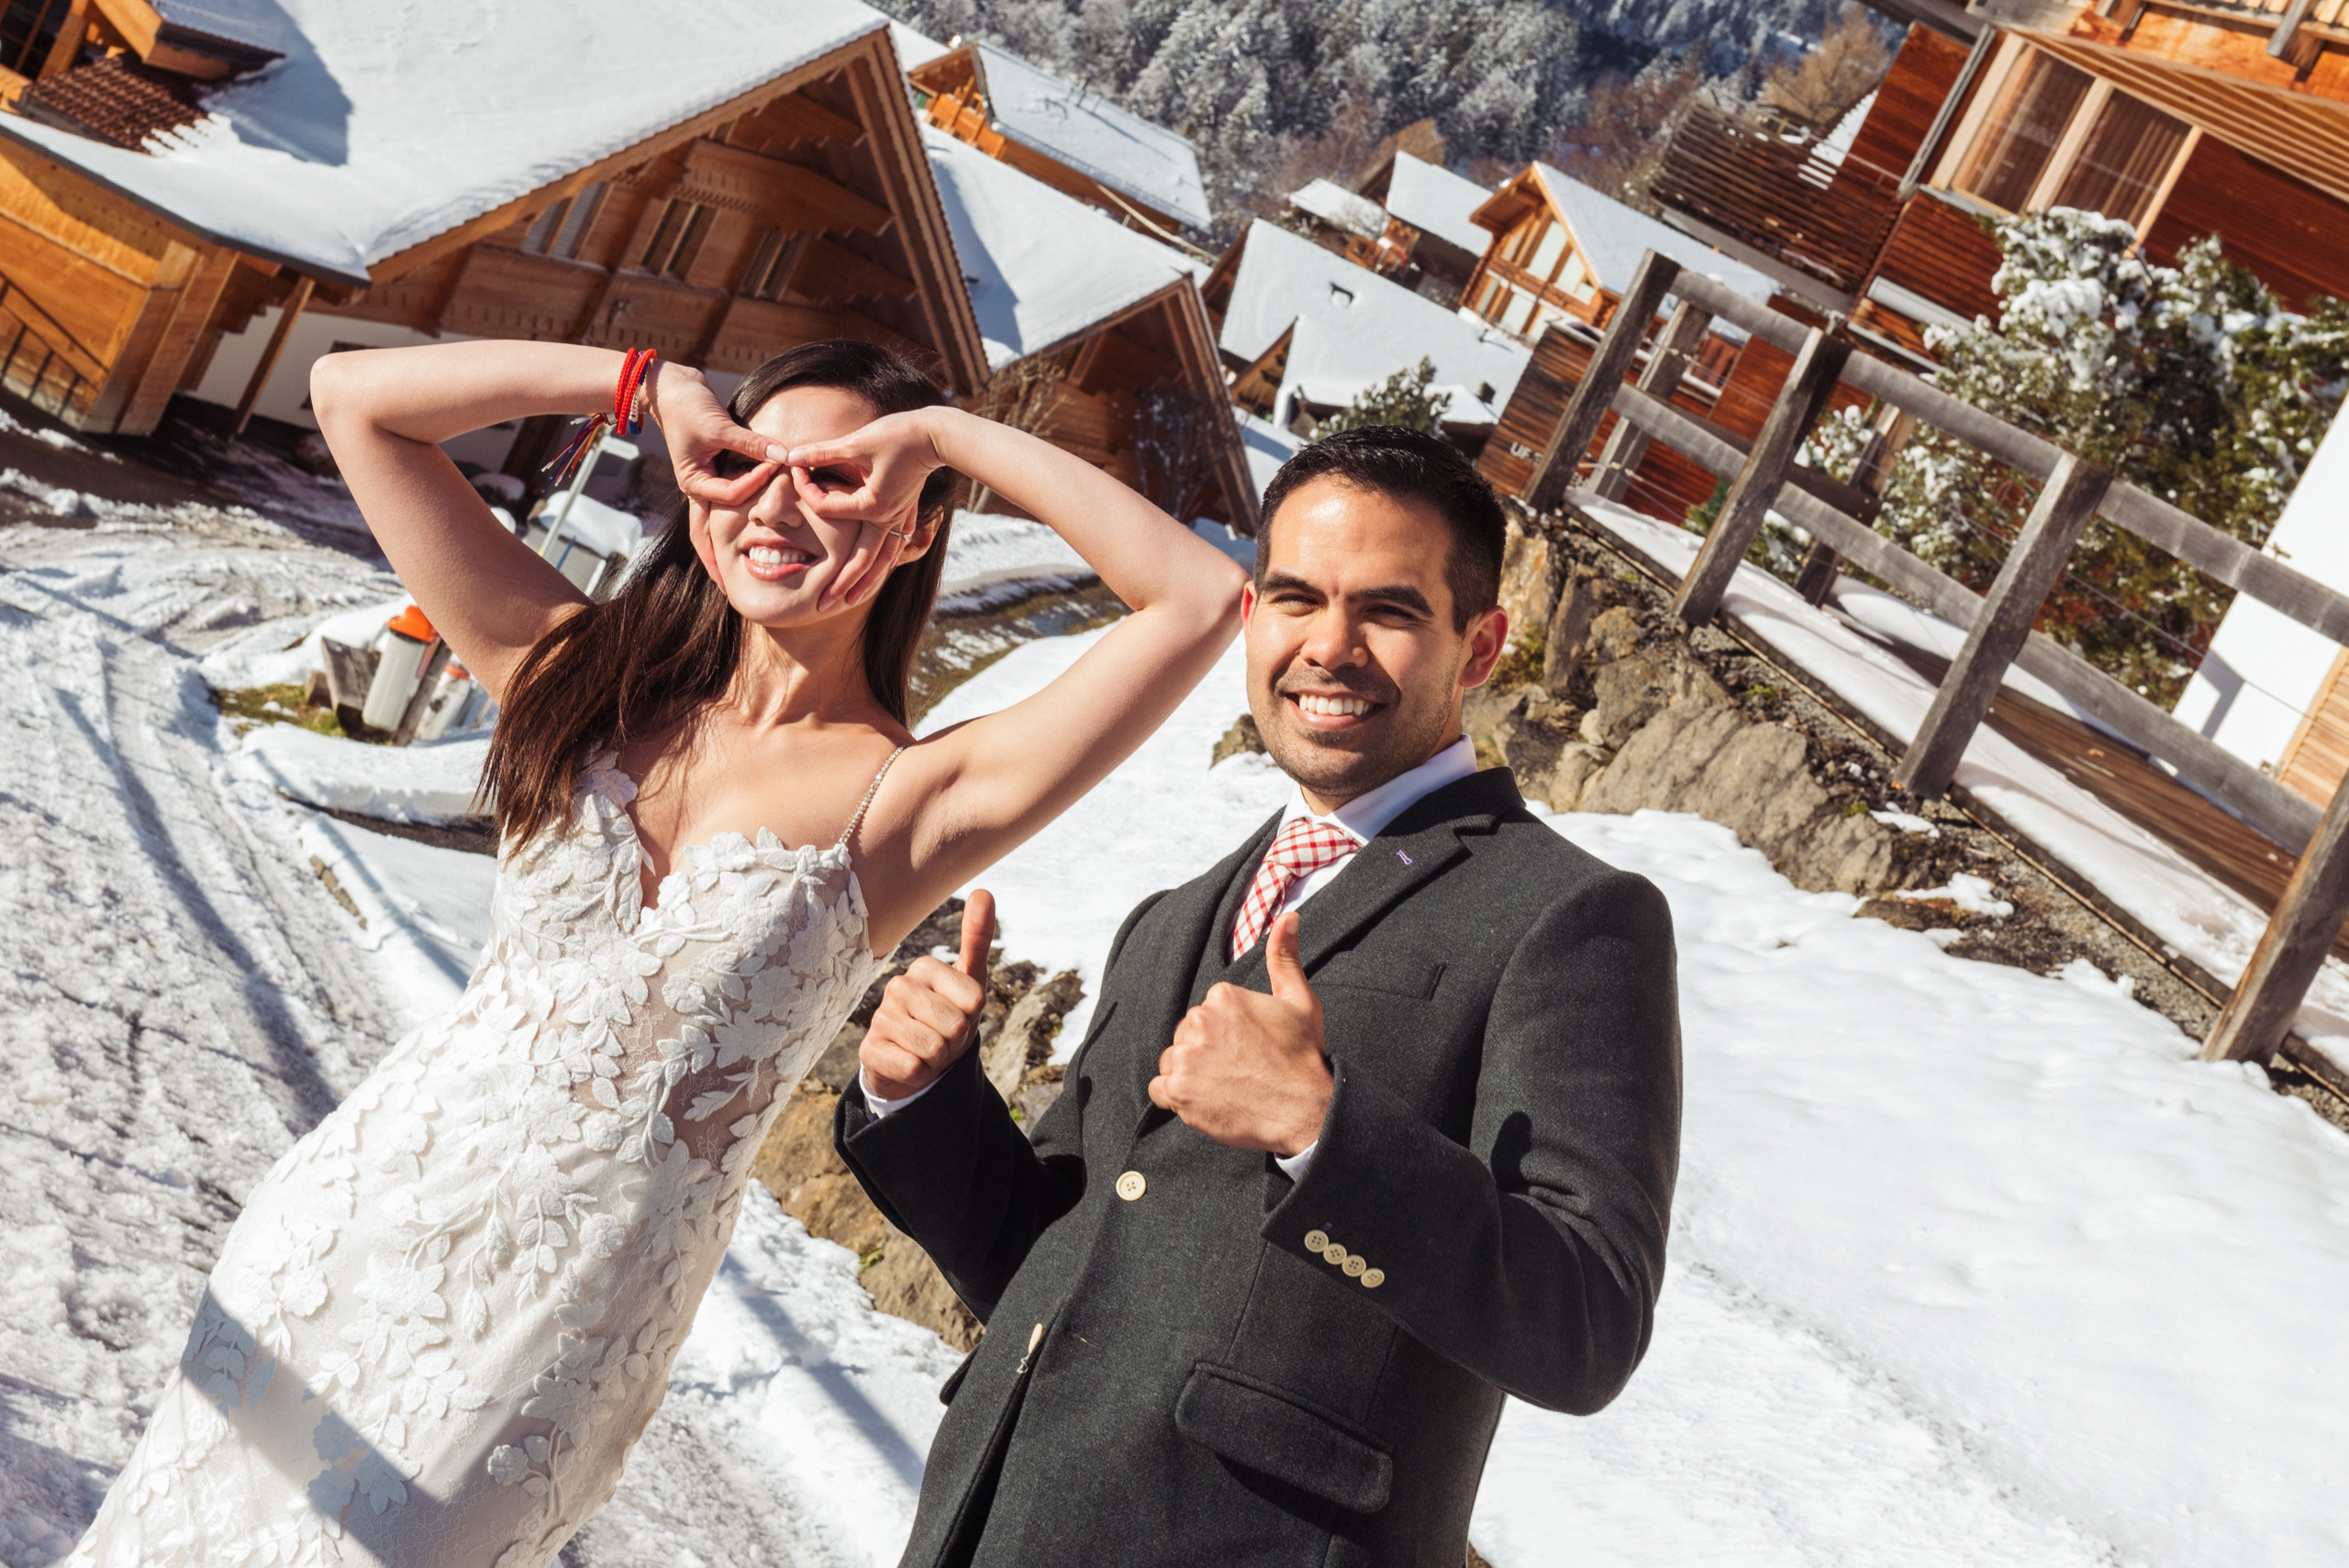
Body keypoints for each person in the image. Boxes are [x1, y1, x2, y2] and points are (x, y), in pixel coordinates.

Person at [64, 338, 1247, 1568]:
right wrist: (648, 386)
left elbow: (1201, 598)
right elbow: (355, 401)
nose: (777, 502)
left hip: (547, 1328)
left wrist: (940, 436)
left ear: (910, 528)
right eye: (743, 463)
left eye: (836, 479)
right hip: (348, 1229)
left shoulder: (907, 801)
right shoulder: (578, 676)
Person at [839, 426, 1684, 1568]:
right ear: (1251, 617)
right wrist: (923, 1099)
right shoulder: (1173, 914)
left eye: (1387, 610)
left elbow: (1588, 1323)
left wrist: (1320, 1130)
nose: (1328, 646)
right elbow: (1050, 1261)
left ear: (1479, 648)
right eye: (1295, 597)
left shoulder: (1571, 918)